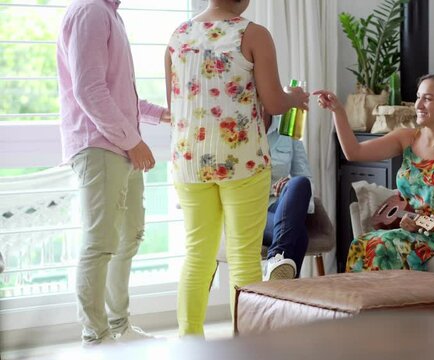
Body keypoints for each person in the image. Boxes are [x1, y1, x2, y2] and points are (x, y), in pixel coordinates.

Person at [165, 0, 309, 337]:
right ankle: (245, 346)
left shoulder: (179, 35)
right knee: (244, 256)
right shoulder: (253, 33)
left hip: (189, 159)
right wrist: (295, 97)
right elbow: (274, 102)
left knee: (198, 254)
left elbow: (176, 106)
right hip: (241, 158)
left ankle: (189, 342)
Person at [57, 0, 171, 346]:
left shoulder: (109, 14)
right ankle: (96, 336)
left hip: (119, 145)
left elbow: (116, 95)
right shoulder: (90, 10)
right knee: (101, 242)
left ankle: (119, 326)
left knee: (129, 236)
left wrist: (161, 115)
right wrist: (134, 141)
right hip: (99, 145)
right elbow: (89, 90)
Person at [314, 73, 434, 272]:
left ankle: (381, 302)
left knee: (382, 245)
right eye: (418, 97)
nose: (418, 105)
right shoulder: (406, 138)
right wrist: (338, 111)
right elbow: (354, 152)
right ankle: (362, 302)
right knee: (361, 243)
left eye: (427, 99)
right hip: (411, 230)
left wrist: (422, 223)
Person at [262, 113, 314, 280]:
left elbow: (305, 176)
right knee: (300, 236)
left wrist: (288, 189)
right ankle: (279, 265)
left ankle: (275, 259)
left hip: (281, 207)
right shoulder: (241, 128)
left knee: (300, 182)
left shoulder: (288, 127)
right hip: (250, 209)